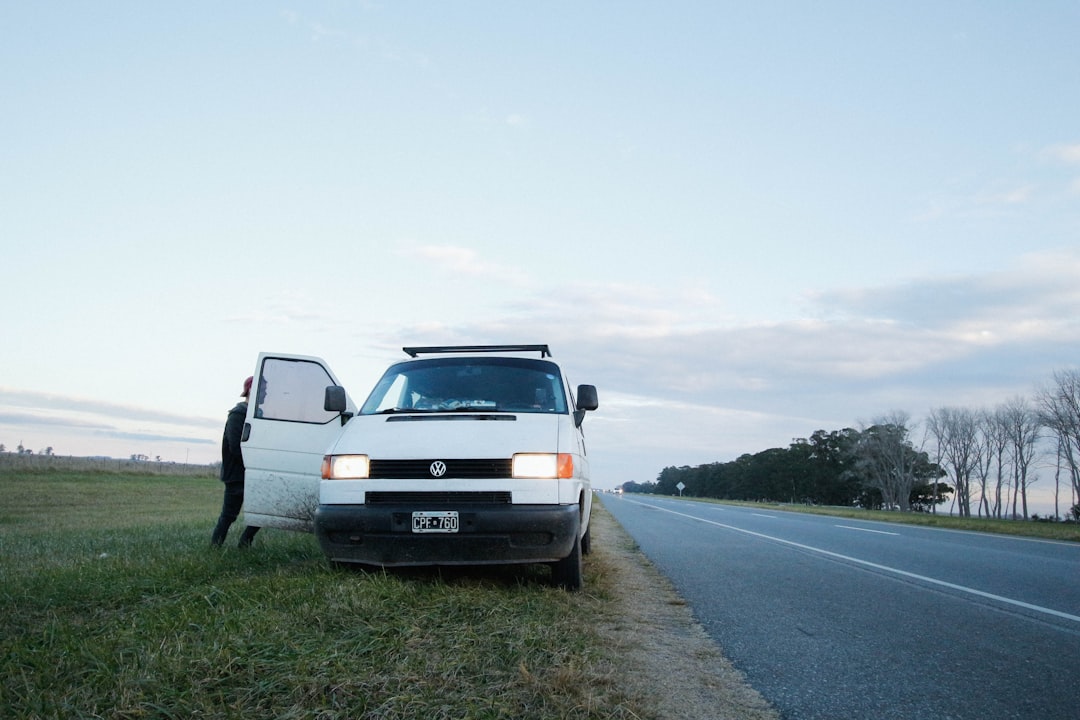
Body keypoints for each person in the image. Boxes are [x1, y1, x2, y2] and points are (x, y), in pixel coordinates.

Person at [210, 376, 260, 548]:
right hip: (237, 475)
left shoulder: (256, 416)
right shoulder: (238, 414)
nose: (264, 393)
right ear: (250, 391)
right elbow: (235, 447)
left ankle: (245, 543)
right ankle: (214, 547)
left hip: (252, 473)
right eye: (262, 389)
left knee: (261, 513)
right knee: (229, 516)